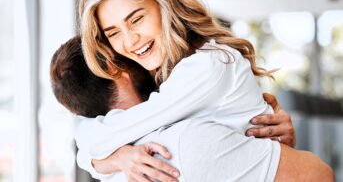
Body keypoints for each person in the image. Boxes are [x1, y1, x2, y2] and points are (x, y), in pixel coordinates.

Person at [51, 36, 333, 182]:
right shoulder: (185, 143)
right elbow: (319, 175)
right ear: (115, 68)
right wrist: (287, 152)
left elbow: (85, 138)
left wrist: (105, 160)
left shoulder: (116, 165)